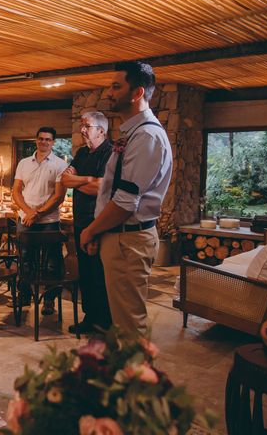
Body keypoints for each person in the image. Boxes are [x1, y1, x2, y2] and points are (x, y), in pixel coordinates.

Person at [80, 61, 172, 335]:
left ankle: (136, 377)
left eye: (116, 86)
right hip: (118, 237)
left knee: (130, 327)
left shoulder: (147, 137)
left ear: (137, 93)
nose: (109, 92)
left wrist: (89, 231)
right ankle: (123, 374)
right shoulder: (132, 133)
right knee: (121, 323)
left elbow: (124, 202)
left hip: (129, 240)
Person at [61, 111, 112, 334]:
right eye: (81, 125)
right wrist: (89, 180)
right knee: (86, 274)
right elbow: (64, 179)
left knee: (100, 275)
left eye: (87, 126)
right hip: (80, 221)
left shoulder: (109, 153)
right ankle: (90, 318)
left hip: (99, 222)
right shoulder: (82, 153)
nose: (82, 129)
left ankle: (106, 322)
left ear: (101, 130)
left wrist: (77, 181)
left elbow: (104, 187)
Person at [12, 127, 68, 315]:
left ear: (53, 142)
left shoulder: (61, 165)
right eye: (41, 138)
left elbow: (59, 196)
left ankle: (49, 300)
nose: (44, 142)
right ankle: (25, 296)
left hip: (49, 221)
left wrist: (38, 213)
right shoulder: (24, 163)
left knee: (52, 262)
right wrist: (28, 212)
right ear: (36, 140)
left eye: (48, 139)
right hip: (26, 220)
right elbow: (16, 191)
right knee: (25, 259)